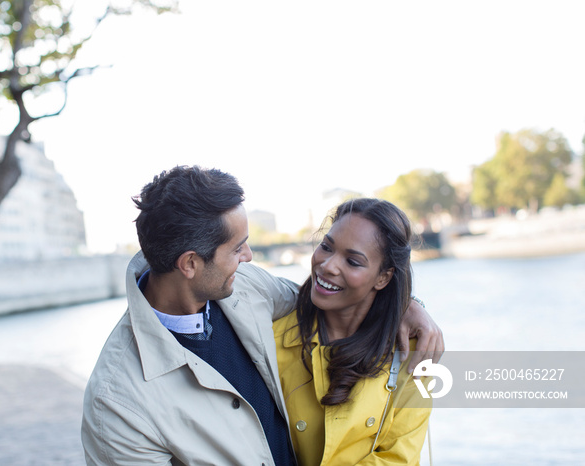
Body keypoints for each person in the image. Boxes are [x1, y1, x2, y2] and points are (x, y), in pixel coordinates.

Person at [81, 166, 442, 465]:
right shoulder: (116, 402)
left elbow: (329, 297)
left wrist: (407, 306)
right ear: (190, 263)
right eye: (238, 248)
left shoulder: (248, 288)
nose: (250, 256)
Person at [274, 198, 434, 465]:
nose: (328, 265)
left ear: (383, 277)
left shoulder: (413, 352)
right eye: (326, 247)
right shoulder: (271, 340)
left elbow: (399, 457)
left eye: (353, 261)